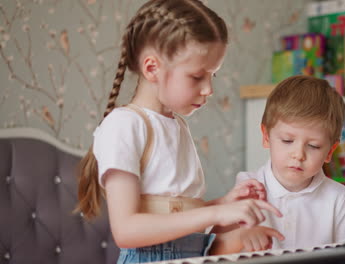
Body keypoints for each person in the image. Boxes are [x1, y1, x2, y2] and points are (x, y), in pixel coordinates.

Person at [74, 0, 282, 263]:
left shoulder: (177, 126)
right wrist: (214, 215)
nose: (209, 89)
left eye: (212, 76)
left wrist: (224, 204)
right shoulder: (124, 125)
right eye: (197, 76)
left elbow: (177, 220)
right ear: (152, 68)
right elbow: (126, 231)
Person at [233, 75, 345, 250]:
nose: (298, 154)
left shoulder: (338, 197)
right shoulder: (247, 186)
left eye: (313, 146)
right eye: (288, 141)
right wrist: (240, 236)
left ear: (330, 152)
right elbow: (218, 246)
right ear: (266, 137)